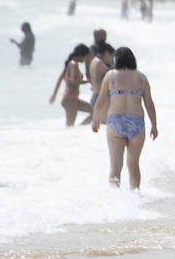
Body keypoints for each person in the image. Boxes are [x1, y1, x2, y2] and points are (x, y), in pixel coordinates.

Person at [91, 47, 157, 189]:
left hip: (116, 121)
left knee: (115, 166)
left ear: (117, 60)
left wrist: (95, 119)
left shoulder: (111, 76)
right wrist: (154, 125)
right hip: (136, 122)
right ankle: (135, 196)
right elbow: (149, 104)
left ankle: (115, 202)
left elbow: (101, 100)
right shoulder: (141, 78)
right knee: (133, 165)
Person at [48, 43, 92, 127]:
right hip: (70, 99)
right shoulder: (74, 64)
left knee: (94, 112)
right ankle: (73, 134)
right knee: (69, 126)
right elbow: (74, 81)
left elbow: (60, 79)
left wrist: (54, 94)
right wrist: (88, 81)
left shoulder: (70, 63)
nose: (86, 59)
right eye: (86, 56)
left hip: (71, 98)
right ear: (80, 55)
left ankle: (80, 129)